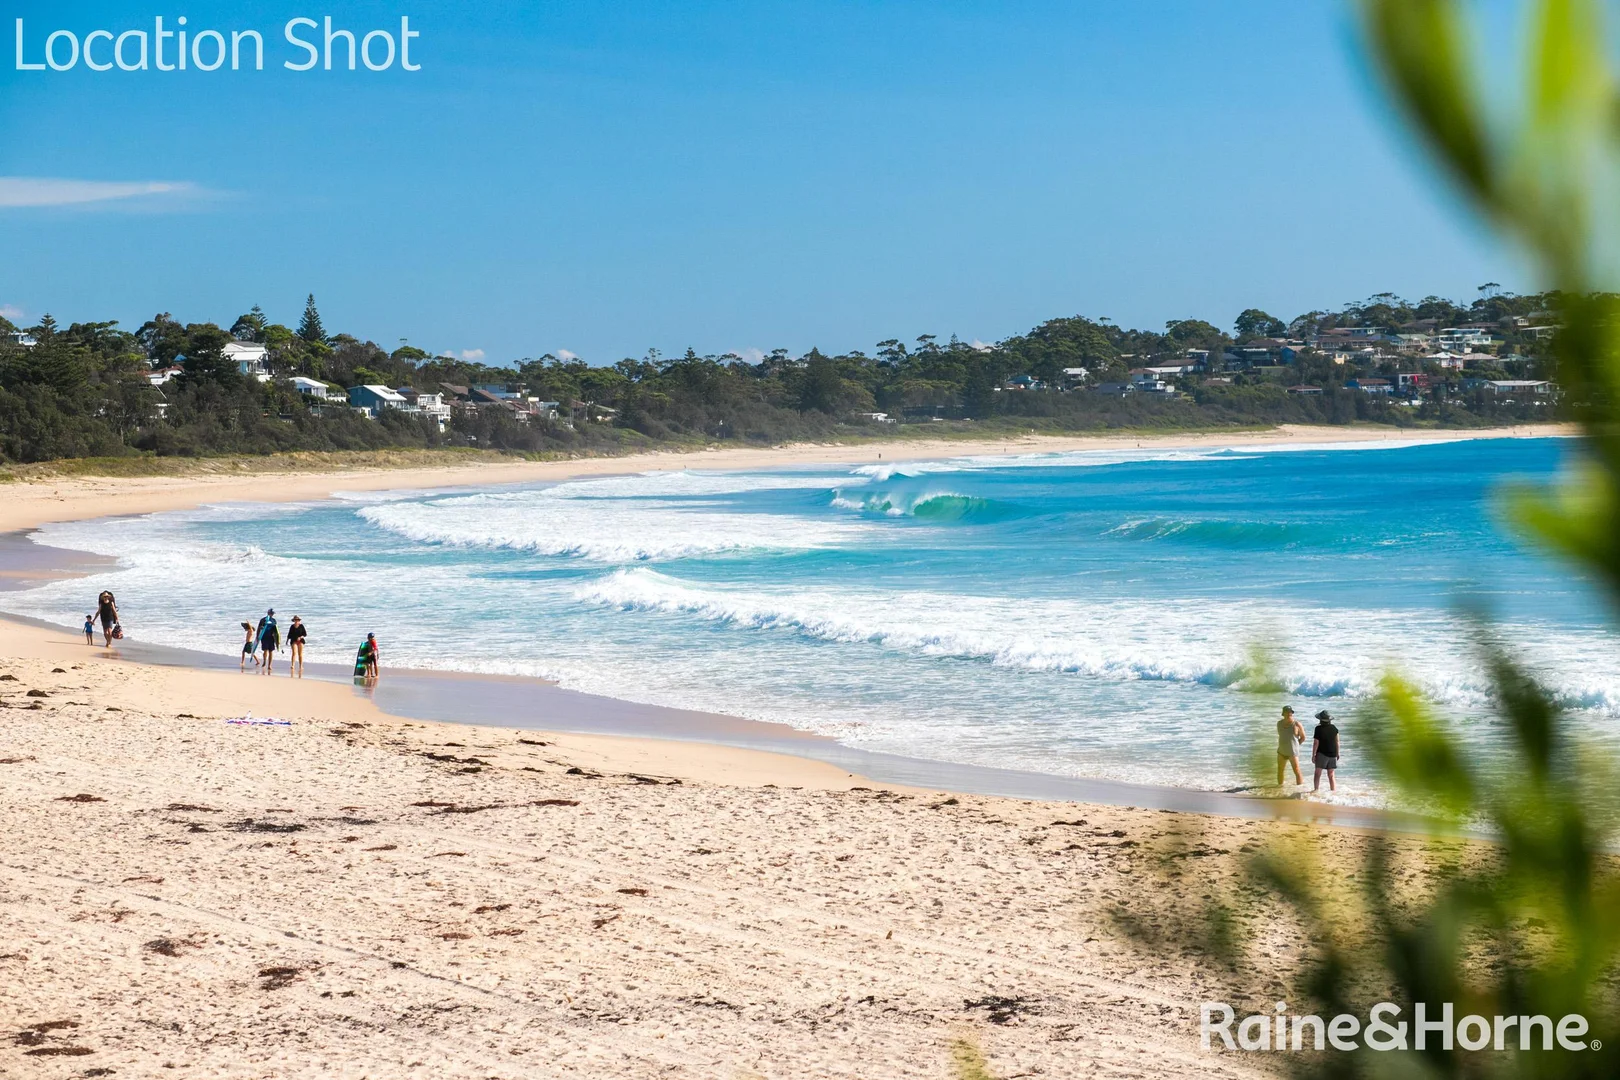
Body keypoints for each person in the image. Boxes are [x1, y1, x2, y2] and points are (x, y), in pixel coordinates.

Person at [1312, 710, 1341, 793]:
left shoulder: (1318, 729)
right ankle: (1333, 792)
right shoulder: (1334, 728)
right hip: (1332, 754)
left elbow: (1316, 743)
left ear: (1320, 720)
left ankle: (1316, 790)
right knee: (1331, 775)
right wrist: (1338, 753)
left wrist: (1313, 754)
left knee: (1317, 774)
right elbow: (1337, 742)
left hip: (1322, 754)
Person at [1276, 705, 1304, 786]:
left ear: (1292, 713)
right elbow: (1281, 735)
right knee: (1280, 770)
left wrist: (1296, 746)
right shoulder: (1279, 723)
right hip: (1281, 751)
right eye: (1287, 712)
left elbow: (1303, 737)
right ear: (1283, 713)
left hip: (1293, 752)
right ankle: (1279, 788)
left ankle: (1299, 789)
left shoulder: (1297, 724)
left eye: (1290, 712)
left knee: (1297, 770)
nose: (1289, 714)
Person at [256, 609, 280, 674]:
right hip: (264, 637)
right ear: (268, 613)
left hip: (271, 638)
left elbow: (276, 630)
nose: (272, 614)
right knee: (265, 650)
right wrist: (257, 636)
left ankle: (269, 665)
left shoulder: (274, 620)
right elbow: (258, 628)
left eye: (272, 613)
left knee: (271, 651)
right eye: (271, 613)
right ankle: (264, 661)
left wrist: (277, 640)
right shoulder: (263, 620)